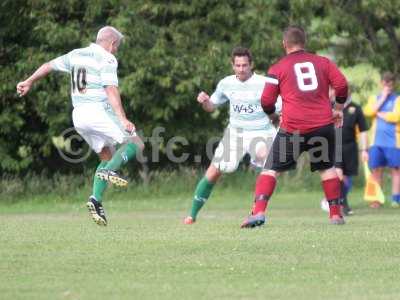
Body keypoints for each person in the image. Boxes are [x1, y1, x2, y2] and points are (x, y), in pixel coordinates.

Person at [16, 26, 144, 226]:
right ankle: (110, 171)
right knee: (136, 143)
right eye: (117, 47)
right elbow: (110, 89)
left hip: (79, 116)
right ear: (112, 44)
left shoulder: (76, 55)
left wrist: (29, 80)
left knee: (106, 155)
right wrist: (123, 118)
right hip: (97, 110)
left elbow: (48, 65)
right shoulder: (107, 58)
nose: (116, 50)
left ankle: (95, 199)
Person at [241, 25, 348, 228]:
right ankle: (335, 215)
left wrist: (273, 116)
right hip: (322, 125)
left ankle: (258, 212)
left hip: (293, 128)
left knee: (271, 169)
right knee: (327, 168)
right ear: (304, 42)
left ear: (284, 44)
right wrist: (338, 108)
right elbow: (341, 85)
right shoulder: (323, 62)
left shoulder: (277, 68)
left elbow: (266, 101)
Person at [183, 47, 281, 224]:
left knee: (267, 160)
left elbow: (279, 109)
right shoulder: (226, 83)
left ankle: (257, 212)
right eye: (238, 65)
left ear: (252, 65)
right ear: (233, 65)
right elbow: (212, 106)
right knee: (215, 172)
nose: (241, 69)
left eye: (245, 65)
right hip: (235, 133)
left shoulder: (265, 83)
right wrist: (205, 101)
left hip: (261, 132)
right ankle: (192, 215)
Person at [321, 88, 369, 215]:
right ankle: (342, 204)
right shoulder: (330, 106)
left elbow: (363, 130)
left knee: (347, 179)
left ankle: (335, 200)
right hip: (334, 146)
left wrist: (364, 150)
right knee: (338, 175)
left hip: (350, 147)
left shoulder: (356, 108)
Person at [363, 72, 400, 208]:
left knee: (396, 170)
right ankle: (377, 199)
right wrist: (382, 98)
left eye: (390, 84)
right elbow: (368, 112)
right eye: (385, 84)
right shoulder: (375, 98)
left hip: (394, 142)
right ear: (381, 84)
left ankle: (396, 199)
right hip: (376, 142)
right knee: (376, 170)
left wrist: (382, 115)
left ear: (393, 84)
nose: (387, 87)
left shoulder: (397, 99)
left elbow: (397, 117)